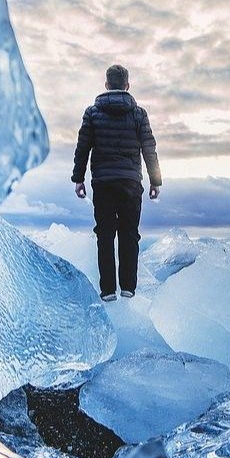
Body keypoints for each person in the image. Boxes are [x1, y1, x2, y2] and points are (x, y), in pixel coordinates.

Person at [71, 64, 162, 302]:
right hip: (131, 182)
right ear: (127, 86)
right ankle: (128, 288)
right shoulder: (138, 114)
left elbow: (83, 148)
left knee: (105, 235)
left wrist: (78, 179)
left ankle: (108, 290)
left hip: (102, 182)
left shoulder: (92, 113)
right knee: (129, 234)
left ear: (106, 85)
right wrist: (155, 181)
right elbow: (149, 149)